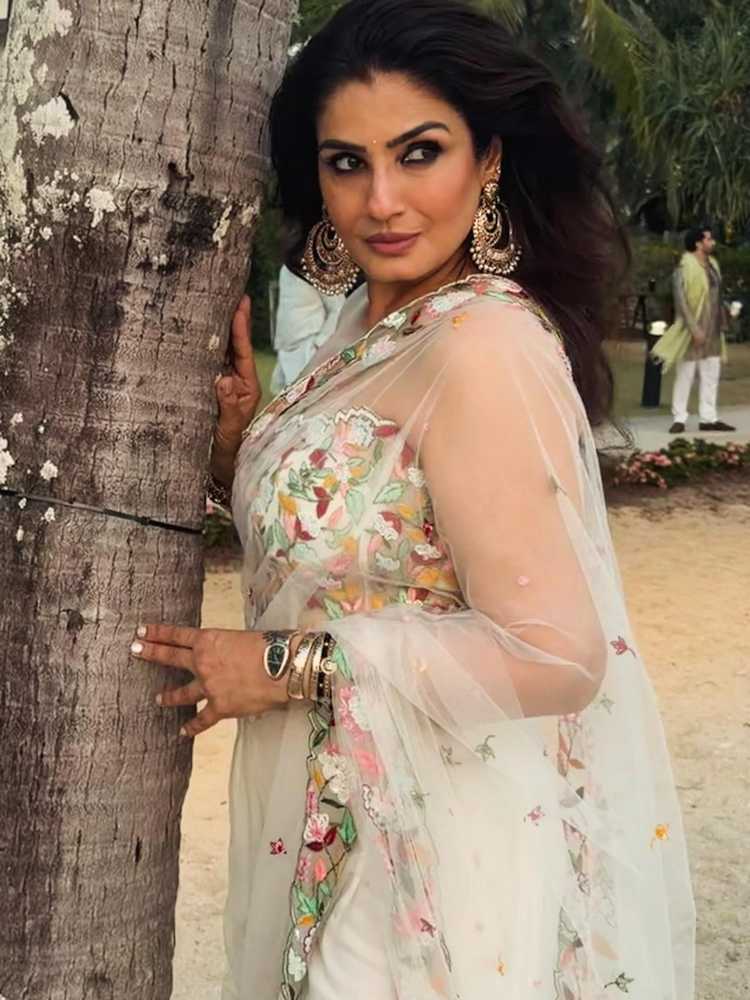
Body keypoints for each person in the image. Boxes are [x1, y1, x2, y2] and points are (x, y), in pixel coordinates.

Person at [130, 2, 694, 998]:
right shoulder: (371, 320)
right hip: (344, 809)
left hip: (431, 853)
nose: (381, 201)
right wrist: (241, 450)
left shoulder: (481, 345)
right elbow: (383, 538)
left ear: (489, 160)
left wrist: (282, 663)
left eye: (419, 153)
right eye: (347, 163)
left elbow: (558, 653)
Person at [652, 227, 735, 434]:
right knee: (685, 375)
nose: (712, 242)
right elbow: (681, 302)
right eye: (708, 239)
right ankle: (679, 418)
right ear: (698, 243)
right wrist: (694, 329)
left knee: (711, 375)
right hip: (692, 331)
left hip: (713, 330)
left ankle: (709, 418)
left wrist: (725, 318)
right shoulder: (684, 267)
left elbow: (718, 295)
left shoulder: (713, 265)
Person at [270, 265, 346, 393]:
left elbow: (339, 308)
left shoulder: (319, 267)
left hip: (309, 348)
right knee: (283, 400)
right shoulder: (286, 268)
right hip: (286, 348)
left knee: (310, 399)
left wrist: (319, 344)